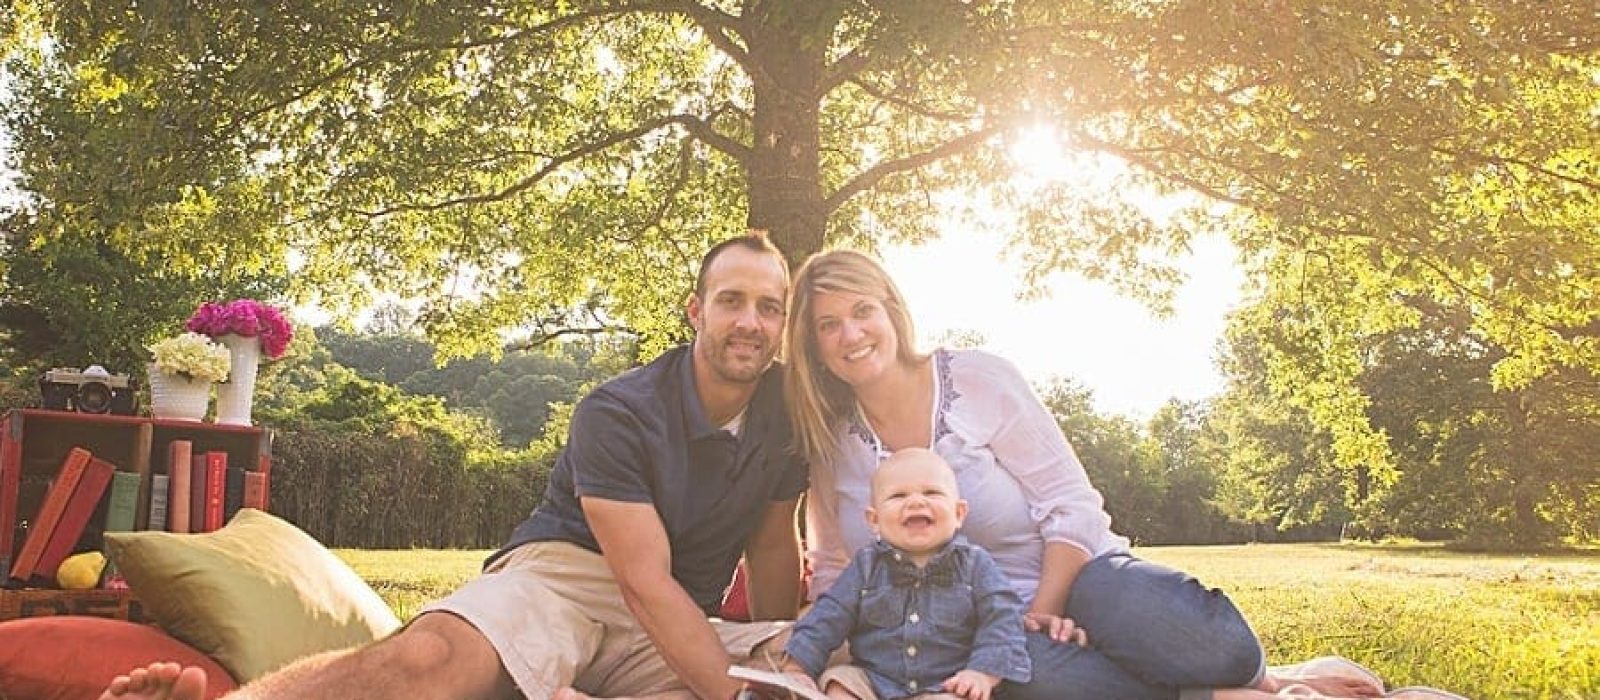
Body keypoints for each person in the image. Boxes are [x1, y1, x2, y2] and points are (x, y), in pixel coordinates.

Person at [101, 232, 809, 700]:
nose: (750, 321)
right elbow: (639, 578)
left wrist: (770, 657)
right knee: (433, 659)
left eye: (769, 307)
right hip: (567, 581)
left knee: (815, 667)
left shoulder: (786, 416)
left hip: (681, 618)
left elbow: (775, 545)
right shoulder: (621, 410)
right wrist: (733, 691)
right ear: (695, 311)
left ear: (784, 323)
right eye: (732, 301)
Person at [782, 250, 1443, 700]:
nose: (850, 334)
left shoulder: (977, 379)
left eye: (861, 312)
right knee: (1023, 676)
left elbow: (1070, 505)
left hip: (1081, 575)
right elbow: (838, 569)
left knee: (1208, 642)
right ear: (813, 346)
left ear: (890, 311)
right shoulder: (832, 444)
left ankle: (1263, 677)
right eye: (828, 325)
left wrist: (1044, 608)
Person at [778, 447, 1031, 700]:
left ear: (958, 514)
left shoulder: (976, 565)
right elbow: (828, 616)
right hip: (875, 680)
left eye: (931, 492)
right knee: (838, 681)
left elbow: (1003, 618)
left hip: (946, 684)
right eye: (898, 496)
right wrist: (797, 666)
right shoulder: (865, 566)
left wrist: (982, 672)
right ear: (874, 520)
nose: (916, 501)